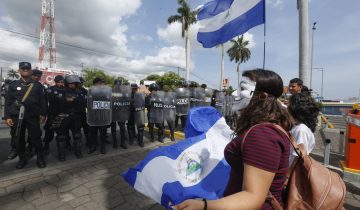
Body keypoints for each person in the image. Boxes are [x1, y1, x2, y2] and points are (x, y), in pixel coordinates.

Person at [173, 69, 294, 210]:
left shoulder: (262, 134)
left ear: (262, 96)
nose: (235, 93)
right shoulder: (267, 127)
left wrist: (203, 206)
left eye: (242, 88)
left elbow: (253, 197)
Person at [4, 62, 47, 169]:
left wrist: (43, 113)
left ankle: (40, 158)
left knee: (36, 138)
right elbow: (8, 102)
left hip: (32, 115)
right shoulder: (13, 85)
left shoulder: (37, 85)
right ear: (19, 70)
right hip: (16, 116)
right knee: (19, 138)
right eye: (23, 68)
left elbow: (43, 101)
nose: (26, 70)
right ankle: (22, 159)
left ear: (31, 71)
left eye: (28, 68)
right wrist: (7, 116)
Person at [55, 75, 84, 161]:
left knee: (77, 135)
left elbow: (82, 103)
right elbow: (58, 103)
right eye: (71, 83)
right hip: (63, 115)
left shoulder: (79, 92)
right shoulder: (61, 91)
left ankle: (78, 152)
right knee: (61, 137)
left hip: (75, 115)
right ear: (67, 83)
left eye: (75, 83)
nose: (73, 85)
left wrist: (74, 100)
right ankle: (61, 155)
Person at [287, 92, 319, 164]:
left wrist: (286, 174)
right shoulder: (298, 127)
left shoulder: (301, 129)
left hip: (291, 171)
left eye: (289, 104)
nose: (287, 107)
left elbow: (298, 157)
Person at [42, 75, 65, 155]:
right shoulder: (51, 89)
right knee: (49, 132)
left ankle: (62, 149)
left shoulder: (65, 89)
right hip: (53, 114)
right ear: (56, 81)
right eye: (60, 82)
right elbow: (50, 99)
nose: (61, 83)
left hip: (62, 114)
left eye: (62, 82)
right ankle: (46, 146)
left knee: (61, 133)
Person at [88, 77, 109, 154]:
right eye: (99, 83)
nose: (101, 84)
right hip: (93, 116)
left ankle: (103, 147)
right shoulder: (90, 92)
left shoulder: (106, 92)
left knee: (103, 132)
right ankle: (93, 146)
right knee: (93, 132)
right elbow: (88, 103)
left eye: (102, 83)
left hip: (103, 116)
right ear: (95, 83)